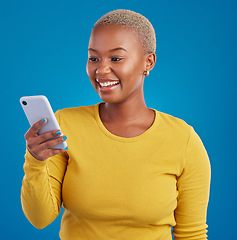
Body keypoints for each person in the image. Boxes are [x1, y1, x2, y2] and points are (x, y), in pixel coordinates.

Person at [21, 9, 211, 240]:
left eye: (116, 58)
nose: (101, 70)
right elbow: (40, 219)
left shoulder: (184, 140)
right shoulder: (65, 125)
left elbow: (192, 234)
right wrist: (35, 161)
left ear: (148, 62)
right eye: (93, 58)